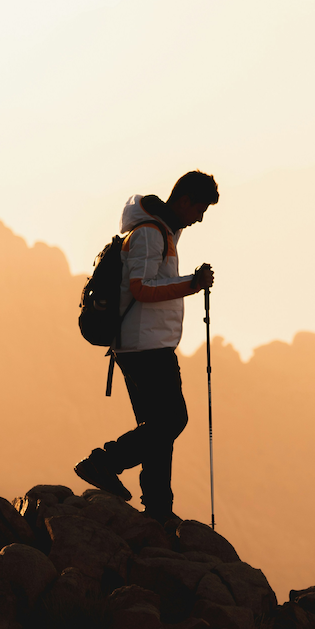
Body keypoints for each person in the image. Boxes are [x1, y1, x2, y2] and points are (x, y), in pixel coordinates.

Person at [74, 171, 218, 525]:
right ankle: (104, 462)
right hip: (144, 347)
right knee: (172, 419)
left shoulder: (163, 231)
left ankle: (158, 508)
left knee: (157, 426)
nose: (199, 219)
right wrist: (192, 283)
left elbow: (150, 276)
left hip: (146, 343)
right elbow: (141, 288)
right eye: (199, 209)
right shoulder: (149, 236)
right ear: (184, 200)